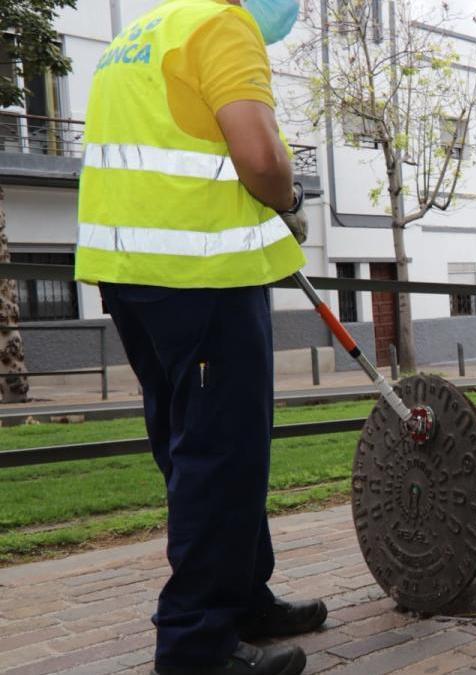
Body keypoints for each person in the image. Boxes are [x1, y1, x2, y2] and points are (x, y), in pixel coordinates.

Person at [75, 1, 321, 674]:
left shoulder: (137, 36)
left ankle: (243, 598)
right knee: (220, 456)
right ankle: (196, 643)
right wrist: (289, 202)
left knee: (194, 448)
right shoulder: (222, 25)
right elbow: (260, 155)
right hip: (200, 273)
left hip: (130, 273)